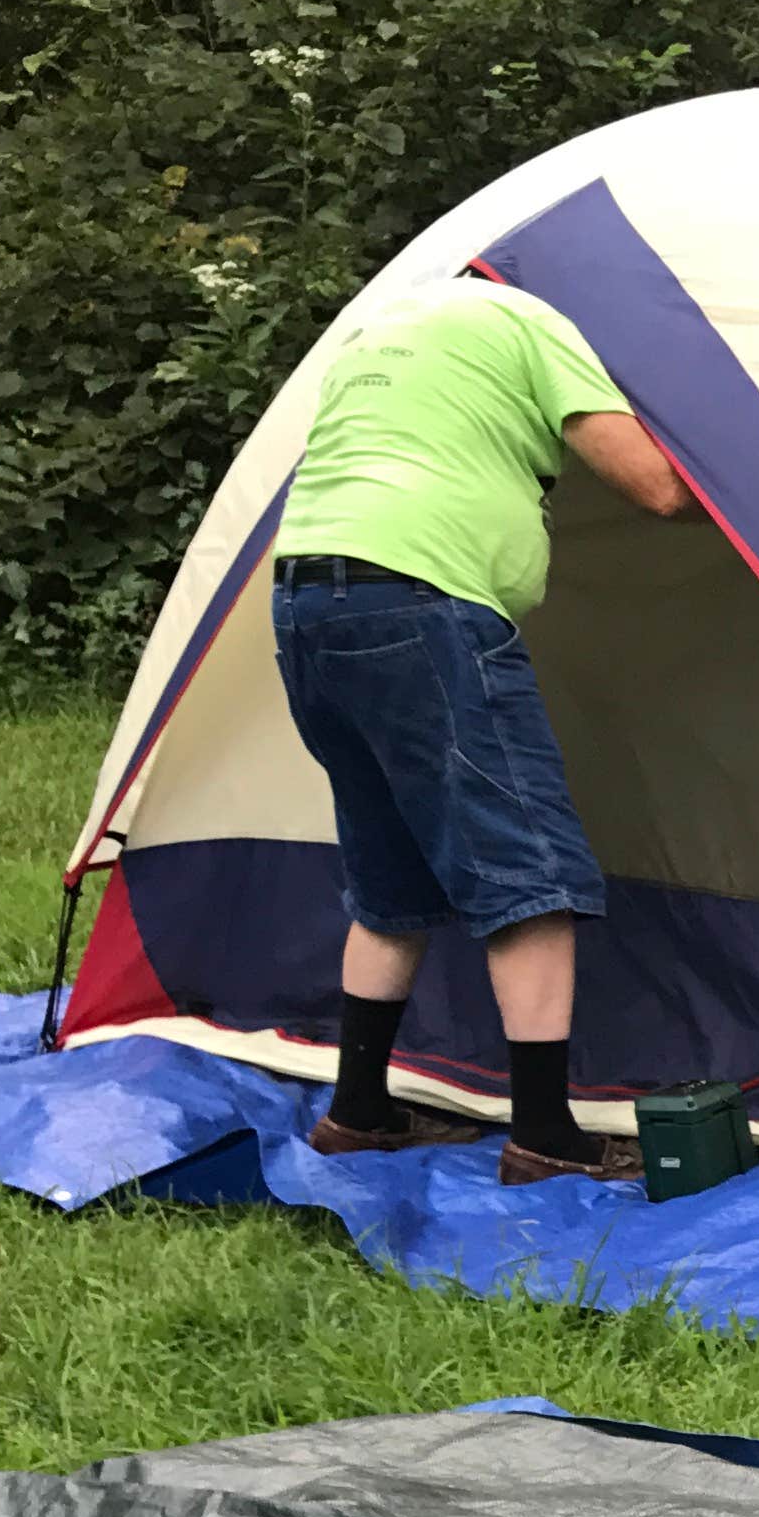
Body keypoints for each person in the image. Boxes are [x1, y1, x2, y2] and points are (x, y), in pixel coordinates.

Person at [269, 273, 704, 1184]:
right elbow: (656, 485)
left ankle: (357, 1112)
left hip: (309, 601)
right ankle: (546, 1133)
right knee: (530, 873)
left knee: (388, 873)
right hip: (425, 606)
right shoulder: (530, 318)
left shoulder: (381, 331)